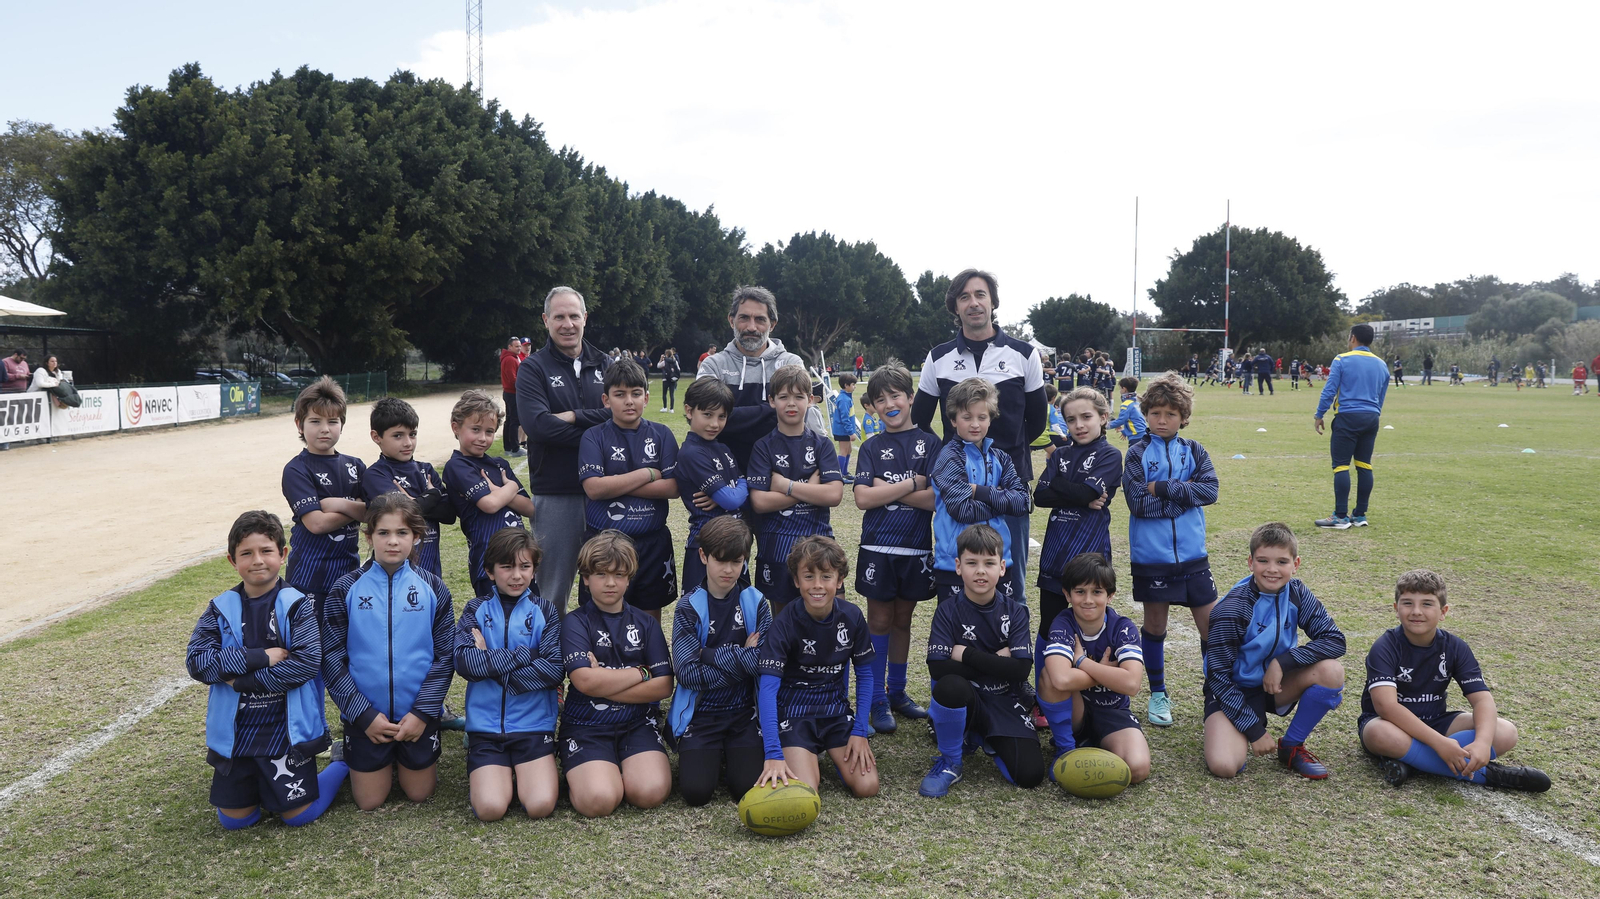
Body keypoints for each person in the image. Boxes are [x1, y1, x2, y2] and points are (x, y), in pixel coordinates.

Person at [185, 510, 346, 829]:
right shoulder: (219, 608)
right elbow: (198, 662)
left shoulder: (297, 605)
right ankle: (256, 789)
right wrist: (259, 657)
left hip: (283, 734)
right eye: (246, 553)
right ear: (232, 561)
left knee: (300, 816)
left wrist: (240, 681)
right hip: (238, 736)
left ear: (283, 555)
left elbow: (304, 665)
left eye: (266, 551)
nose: (257, 560)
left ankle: (342, 763)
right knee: (235, 823)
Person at [1358, 569, 1550, 792]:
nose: (1416, 611)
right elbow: (1386, 707)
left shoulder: (1455, 647)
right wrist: (1440, 744)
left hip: (1437, 721)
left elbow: (1482, 701)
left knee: (1506, 731)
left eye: (1427, 604)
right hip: (1390, 725)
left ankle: (1414, 763)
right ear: (1396, 609)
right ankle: (1490, 775)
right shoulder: (1385, 646)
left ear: (1443, 611)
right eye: (1408, 603)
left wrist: (1482, 743)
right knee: (1379, 734)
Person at [912, 269, 1047, 587]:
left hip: (1008, 486)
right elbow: (920, 419)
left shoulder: (1024, 354)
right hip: (958, 489)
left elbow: (1037, 420)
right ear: (955, 307)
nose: (973, 303)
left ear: (992, 302)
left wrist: (1005, 456)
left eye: (980, 295)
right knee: (960, 580)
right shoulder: (938, 358)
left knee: (1010, 585)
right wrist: (950, 457)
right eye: (964, 297)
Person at [322, 493, 456, 810]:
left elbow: (445, 657)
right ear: (369, 536)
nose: (392, 541)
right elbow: (331, 658)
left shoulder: (434, 587)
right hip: (367, 717)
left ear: (417, 536)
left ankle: (403, 751)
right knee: (370, 801)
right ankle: (346, 756)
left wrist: (423, 714)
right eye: (383, 533)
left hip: (417, 718)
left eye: (402, 533)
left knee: (419, 794)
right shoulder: (345, 588)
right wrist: (363, 715)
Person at [1203, 523, 1346, 780]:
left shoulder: (1298, 593)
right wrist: (1254, 730)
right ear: (1250, 562)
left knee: (1331, 671)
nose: (1272, 569)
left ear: (1295, 564)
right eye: (1263, 561)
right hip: (1233, 690)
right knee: (1224, 766)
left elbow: (1335, 640)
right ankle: (1235, 731)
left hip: (1275, 686)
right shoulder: (1233, 609)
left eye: (1282, 561)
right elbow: (1218, 677)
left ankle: (1291, 746)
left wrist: (1283, 662)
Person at [919, 524, 1045, 797]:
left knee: (1030, 776)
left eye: (988, 563)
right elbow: (938, 667)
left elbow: (1021, 669)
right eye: (971, 562)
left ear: (1001, 567)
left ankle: (984, 738)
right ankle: (952, 762)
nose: (980, 571)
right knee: (950, 686)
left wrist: (965, 653)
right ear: (958, 566)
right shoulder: (947, 610)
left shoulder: (1016, 611)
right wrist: (998, 661)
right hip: (968, 697)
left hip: (1004, 700)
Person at [1122, 372, 1218, 727]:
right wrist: (1183, 494)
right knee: (1155, 626)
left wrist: (1161, 487)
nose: (1162, 420)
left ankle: (1215, 691)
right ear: (1146, 414)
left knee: (1211, 627)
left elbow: (1210, 491)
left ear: (1183, 417)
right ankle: (1159, 694)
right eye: (1155, 413)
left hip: (1193, 555)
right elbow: (1137, 505)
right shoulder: (1136, 453)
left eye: (1170, 415)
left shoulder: (1194, 450)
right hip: (1152, 557)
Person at [558, 531, 674, 818]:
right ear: (585, 578)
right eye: (600, 574)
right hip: (587, 724)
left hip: (636, 723)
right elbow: (583, 681)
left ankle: (619, 767)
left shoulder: (646, 623)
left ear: (629, 577)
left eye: (619, 574)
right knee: (599, 801)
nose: (610, 583)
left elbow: (663, 685)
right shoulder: (574, 623)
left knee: (650, 793)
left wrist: (602, 682)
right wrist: (641, 672)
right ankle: (592, 772)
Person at [754, 536, 879, 798]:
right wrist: (773, 753)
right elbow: (767, 689)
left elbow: (866, 675)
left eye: (826, 576)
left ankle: (832, 752)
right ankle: (805, 754)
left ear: (840, 580)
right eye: (809, 576)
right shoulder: (785, 621)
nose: (818, 585)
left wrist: (859, 731)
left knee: (868, 787)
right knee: (805, 791)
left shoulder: (852, 616)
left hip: (834, 711)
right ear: (797, 581)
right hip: (795, 714)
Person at [454, 528, 565, 821]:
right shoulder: (475, 610)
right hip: (485, 730)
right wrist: (528, 655)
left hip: (533, 726)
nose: (516, 575)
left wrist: (488, 659)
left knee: (540, 806)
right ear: (490, 571)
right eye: (507, 567)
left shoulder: (547, 611)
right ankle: (497, 773)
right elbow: (465, 663)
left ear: (534, 570)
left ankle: (527, 772)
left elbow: (553, 670)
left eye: (524, 566)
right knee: (490, 809)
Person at [516, 286, 613, 615]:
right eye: (559, 316)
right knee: (552, 591)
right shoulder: (533, 368)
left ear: (585, 318)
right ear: (546, 320)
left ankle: (599, 661)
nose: (567, 323)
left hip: (606, 491)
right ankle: (546, 663)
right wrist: (598, 432)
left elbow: (623, 415)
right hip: (557, 492)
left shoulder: (606, 363)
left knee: (608, 582)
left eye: (574, 315)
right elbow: (538, 426)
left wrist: (573, 416)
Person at [852, 365, 938, 732]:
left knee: (903, 620)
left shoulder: (931, 443)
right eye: (881, 398)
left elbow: (935, 499)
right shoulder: (871, 446)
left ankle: (898, 692)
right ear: (872, 406)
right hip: (877, 548)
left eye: (895, 396)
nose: (889, 403)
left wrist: (890, 487)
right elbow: (862, 498)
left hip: (916, 550)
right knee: (880, 621)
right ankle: (875, 700)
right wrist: (912, 482)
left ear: (910, 398)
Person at [668, 516, 772, 806]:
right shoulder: (688, 606)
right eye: (720, 560)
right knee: (696, 794)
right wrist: (743, 659)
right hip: (702, 715)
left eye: (737, 562)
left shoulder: (756, 601)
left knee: (746, 790)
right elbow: (687, 673)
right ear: (703, 556)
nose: (728, 570)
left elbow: (765, 663)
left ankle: (734, 754)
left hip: (744, 713)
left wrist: (710, 654)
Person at [577, 359, 681, 619]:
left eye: (636, 394)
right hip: (604, 542)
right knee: (601, 619)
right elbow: (594, 488)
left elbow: (673, 487)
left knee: (648, 619)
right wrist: (646, 474)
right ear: (606, 399)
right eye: (620, 394)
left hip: (651, 542)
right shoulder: (593, 436)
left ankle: (647, 662)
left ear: (646, 398)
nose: (629, 401)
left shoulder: (662, 434)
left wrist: (616, 483)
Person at [281, 377, 366, 685]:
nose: (324, 429)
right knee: (311, 657)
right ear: (299, 424)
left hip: (349, 575)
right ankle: (314, 729)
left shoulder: (355, 465)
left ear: (342, 424)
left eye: (333, 421)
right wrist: (353, 505)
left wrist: (332, 503)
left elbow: (373, 513)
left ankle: (355, 724)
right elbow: (315, 524)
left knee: (350, 653)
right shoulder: (296, 469)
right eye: (315, 421)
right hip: (309, 578)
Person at [1033, 387, 1122, 683]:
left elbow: (1079, 490)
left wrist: (1062, 486)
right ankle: (1045, 693)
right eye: (1071, 420)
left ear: (1104, 417)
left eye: (1086, 417)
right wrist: (1082, 497)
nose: (1079, 425)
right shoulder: (1060, 454)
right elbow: (1040, 497)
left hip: (1089, 554)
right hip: (1055, 555)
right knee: (1049, 625)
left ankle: (1089, 687)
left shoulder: (1109, 455)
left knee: (1091, 625)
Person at [1037, 553, 1150, 784]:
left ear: (1110, 595)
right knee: (1048, 674)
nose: (1088, 600)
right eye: (1080, 592)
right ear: (1067, 594)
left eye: (1097, 592)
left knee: (1137, 769)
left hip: (1112, 711)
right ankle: (1066, 748)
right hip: (1075, 709)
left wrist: (1082, 662)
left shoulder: (1123, 628)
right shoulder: (1062, 623)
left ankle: (1096, 743)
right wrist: (1105, 672)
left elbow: (1131, 684)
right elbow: (1059, 679)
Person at [747, 365, 845, 616]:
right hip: (777, 546)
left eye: (799, 397)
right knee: (784, 620)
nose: (792, 404)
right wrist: (810, 488)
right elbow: (759, 502)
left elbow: (834, 495)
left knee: (829, 618)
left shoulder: (822, 445)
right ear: (771, 401)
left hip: (819, 542)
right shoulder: (762, 447)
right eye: (783, 397)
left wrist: (786, 486)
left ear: (810, 400)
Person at [696, 286, 822, 472]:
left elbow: (798, 418)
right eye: (744, 318)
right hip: (727, 474)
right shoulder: (713, 365)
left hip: (781, 473)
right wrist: (770, 411)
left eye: (760, 319)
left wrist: (733, 416)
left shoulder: (791, 363)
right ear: (731, 321)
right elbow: (704, 420)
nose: (751, 327)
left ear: (772, 324)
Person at [930, 377, 1029, 605]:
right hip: (955, 562)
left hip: (999, 561)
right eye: (967, 417)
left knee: (999, 631)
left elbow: (1022, 503)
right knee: (957, 633)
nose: (975, 424)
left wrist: (978, 491)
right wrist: (1001, 497)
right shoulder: (949, 457)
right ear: (954, 420)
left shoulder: (1001, 457)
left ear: (990, 419)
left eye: (982, 417)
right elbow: (962, 510)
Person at [444, 390, 534, 600]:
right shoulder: (458, 466)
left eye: (489, 431)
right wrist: (509, 487)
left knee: (528, 616)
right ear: (456, 427)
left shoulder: (499, 464)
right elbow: (490, 504)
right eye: (475, 429)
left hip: (520, 554)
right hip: (489, 558)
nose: (483, 438)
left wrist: (502, 492)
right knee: (496, 620)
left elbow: (530, 509)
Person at [364, 397, 454, 579]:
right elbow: (401, 513)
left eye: (412, 434)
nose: (408, 443)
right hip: (392, 574)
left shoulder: (426, 469)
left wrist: (417, 502)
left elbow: (449, 514)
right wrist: (432, 494)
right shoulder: (375, 474)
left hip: (431, 571)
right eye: (398, 435)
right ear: (376, 437)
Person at [674, 377, 749, 594]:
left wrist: (736, 488)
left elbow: (737, 495)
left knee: (738, 610)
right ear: (689, 411)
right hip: (705, 543)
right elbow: (732, 499)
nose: (714, 424)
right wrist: (740, 485)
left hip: (734, 543)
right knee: (700, 612)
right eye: (707, 415)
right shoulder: (691, 452)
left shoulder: (723, 448)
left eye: (721, 417)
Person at [1314, 324, 1390, 530]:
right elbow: (1381, 396)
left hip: (1347, 417)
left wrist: (1319, 414)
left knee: (1341, 465)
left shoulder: (1342, 359)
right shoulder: (1382, 364)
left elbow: (1330, 390)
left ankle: (1340, 516)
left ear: (1353, 338)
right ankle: (1360, 514)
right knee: (1364, 464)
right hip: (1371, 417)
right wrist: (1374, 414)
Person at [830, 372, 861, 484]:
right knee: (843, 451)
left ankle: (845, 472)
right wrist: (850, 432)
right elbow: (845, 418)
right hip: (842, 431)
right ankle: (839, 475)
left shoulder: (847, 397)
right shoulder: (843, 399)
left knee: (849, 450)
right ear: (846, 385)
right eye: (853, 384)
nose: (855, 386)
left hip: (845, 431)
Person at [499, 336, 526, 457]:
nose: (519, 348)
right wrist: (523, 387)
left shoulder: (513, 358)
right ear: (510, 347)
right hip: (512, 393)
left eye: (520, 346)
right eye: (517, 346)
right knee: (514, 420)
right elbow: (512, 379)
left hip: (510, 392)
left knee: (510, 420)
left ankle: (509, 447)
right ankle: (515, 448)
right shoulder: (510, 359)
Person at [1107, 376, 1146, 442]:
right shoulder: (1137, 402)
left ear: (1124, 389)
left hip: (1136, 437)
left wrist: (1105, 425)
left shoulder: (1126, 404)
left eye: (1120, 389)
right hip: (1142, 434)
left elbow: (1121, 420)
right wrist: (1125, 431)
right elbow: (1136, 421)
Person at [658, 348, 682, 412]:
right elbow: (678, 369)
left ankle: (665, 407)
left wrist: (661, 359)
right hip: (673, 379)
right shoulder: (675, 361)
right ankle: (671, 409)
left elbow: (658, 366)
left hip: (665, 378)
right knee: (672, 394)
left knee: (664, 393)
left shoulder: (665, 361)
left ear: (666, 354)